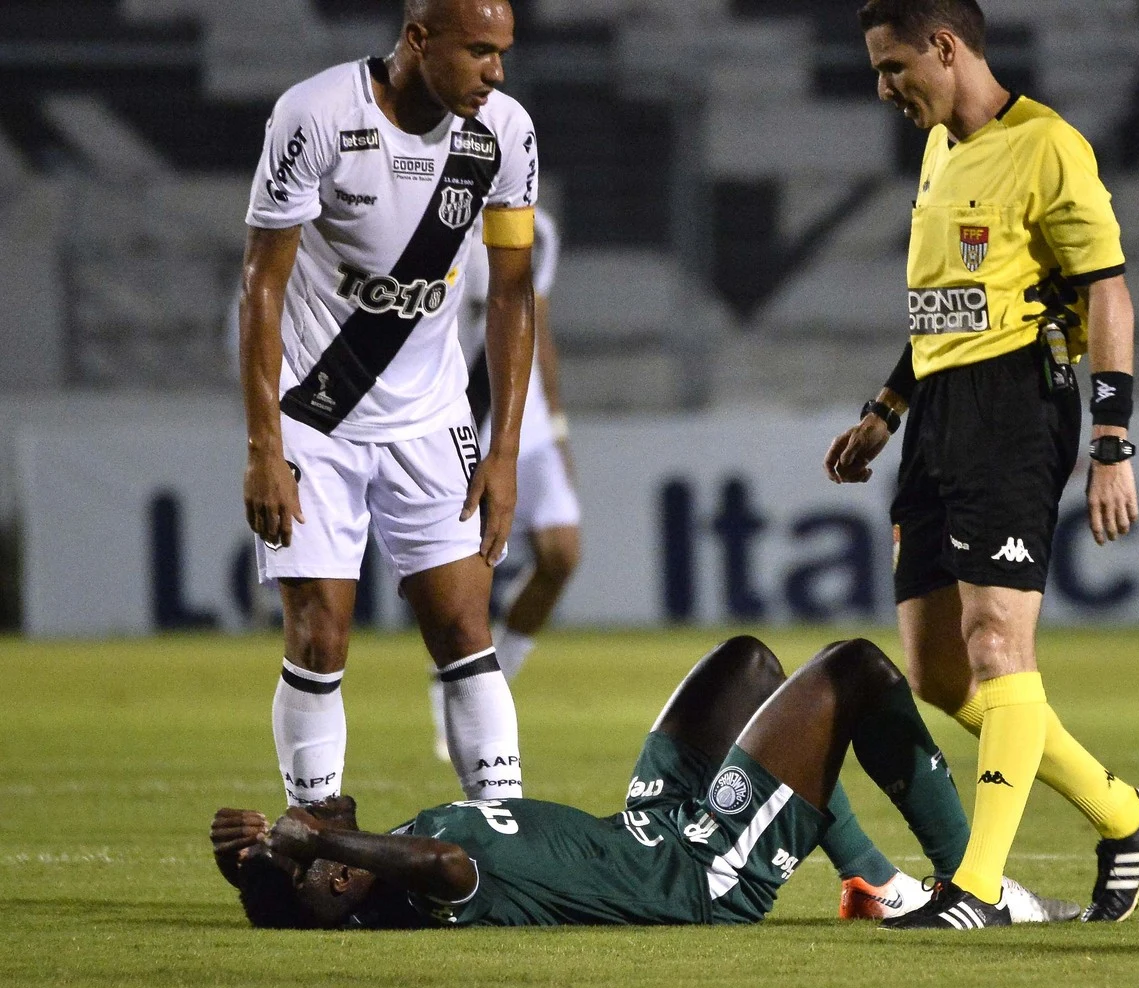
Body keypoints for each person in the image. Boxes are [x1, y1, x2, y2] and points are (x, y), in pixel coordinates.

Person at [822, 0, 1139, 928]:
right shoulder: (940, 149)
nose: (883, 87)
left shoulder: (1050, 146)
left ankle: (973, 889)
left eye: (894, 66)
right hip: (939, 411)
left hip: (1017, 405)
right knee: (942, 672)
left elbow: (1109, 293)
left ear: (946, 47)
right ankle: (1126, 815)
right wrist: (887, 408)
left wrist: (1112, 441)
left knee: (997, 643)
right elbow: (945, 306)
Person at [210, 638, 1081, 929]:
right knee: (855, 671)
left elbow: (331, 855)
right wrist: (310, 844)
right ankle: (979, 883)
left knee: (748, 665)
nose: (302, 821)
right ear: (333, 876)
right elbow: (445, 864)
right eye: (305, 846)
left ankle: (874, 883)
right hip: (699, 874)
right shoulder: (415, 891)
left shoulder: (366, 863)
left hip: (650, 825)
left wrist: (254, 864)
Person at [238, 0, 539, 806]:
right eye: (479, 51)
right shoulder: (316, 116)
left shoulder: (505, 132)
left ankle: (501, 834)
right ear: (417, 39)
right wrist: (265, 444)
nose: (496, 72)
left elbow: (512, 295)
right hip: (317, 416)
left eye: (502, 52)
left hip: (433, 420)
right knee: (319, 636)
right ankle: (315, 830)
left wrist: (502, 451)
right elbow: (261, 286)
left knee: (467, 634)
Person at [428, 210, 581, 762]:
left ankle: (502, 673)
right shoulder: (434, 211)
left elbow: (536, 325)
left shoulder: (537, 228)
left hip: (527, 424)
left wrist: (558, 429)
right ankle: (456, 690)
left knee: (561, 554)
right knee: (466, 570)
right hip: (460, 415)